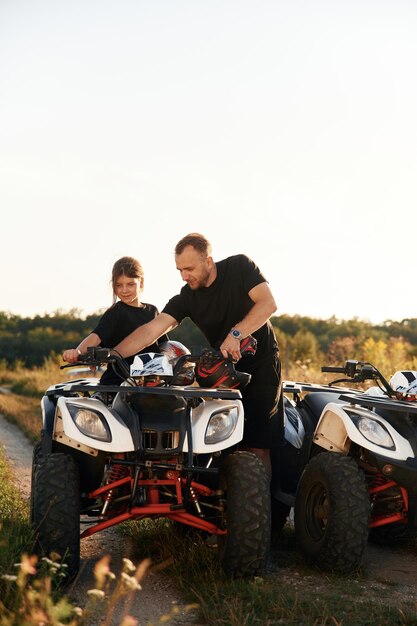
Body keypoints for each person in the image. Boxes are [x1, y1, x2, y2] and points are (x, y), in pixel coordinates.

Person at [114, 234, 283, 476]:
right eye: (180, 269)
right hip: (222, 373)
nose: (184, 276)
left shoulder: (240, 267)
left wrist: (236, 333)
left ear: (209, 261)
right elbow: (152, 329)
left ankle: (260, 511)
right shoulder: (187, 297)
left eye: (189, 268)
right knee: (222, 442)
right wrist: (114, 354)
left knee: (257, 445)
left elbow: (268, 304)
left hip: (261, 365)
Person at [62, 256, 168, 386]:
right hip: (118, 382)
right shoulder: (116, 312)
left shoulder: (153, 311)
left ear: (141, 283)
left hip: (150, 383)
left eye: (130, 284)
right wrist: (77, 352)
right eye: (119, 285)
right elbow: (96, 336)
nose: (124, 290)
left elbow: (165, 347)